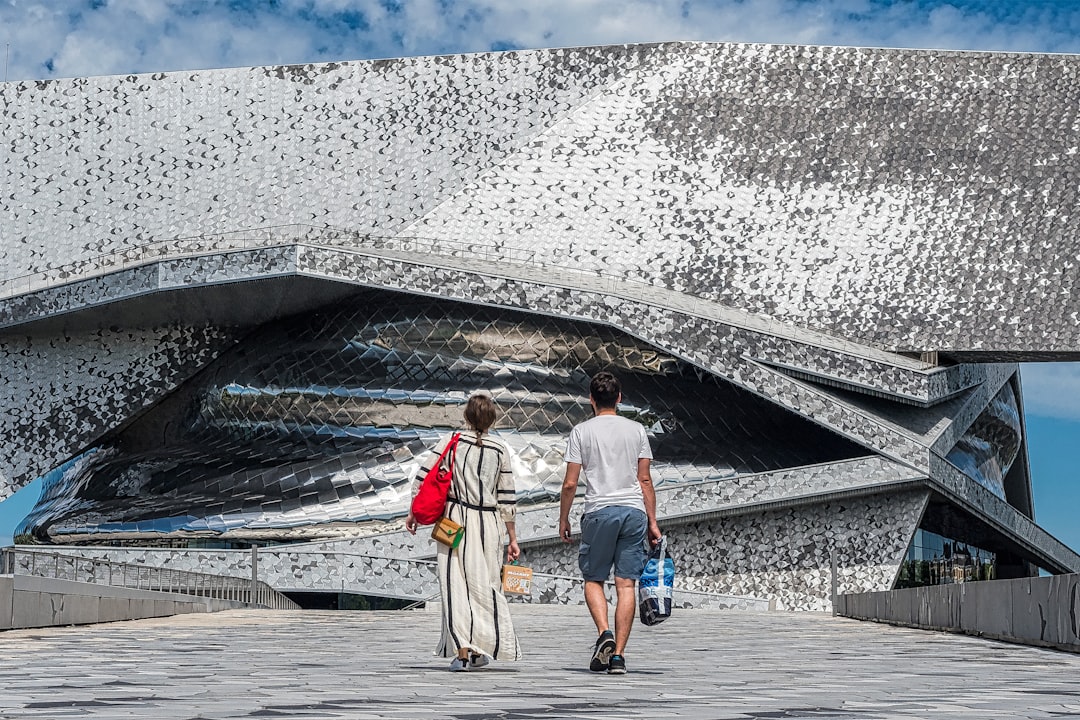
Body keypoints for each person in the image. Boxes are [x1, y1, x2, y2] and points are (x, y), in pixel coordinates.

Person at [406, 390, 522, 671]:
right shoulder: (499, 450)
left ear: (467, 417)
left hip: (453, 520)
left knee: (454, 585)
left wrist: (413, 512)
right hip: (488, 525)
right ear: (492, 420)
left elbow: (424, 478)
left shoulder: (452, 442)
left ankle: (462, 653)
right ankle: (485, 647)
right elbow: (506, 496)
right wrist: (513, 538)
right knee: (486, 586)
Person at [559, 371, 662, 675]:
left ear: (591, 399)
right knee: (625, 583)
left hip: (599, 511)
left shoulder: (581, 431)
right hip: (633, 512)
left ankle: (604, 632)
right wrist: (653, 522)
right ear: (619, 398)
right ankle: (618, 656)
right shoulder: (637, 431)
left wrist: (563, 518)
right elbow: (644, 479)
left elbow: (569, 483)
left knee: (593, 579)